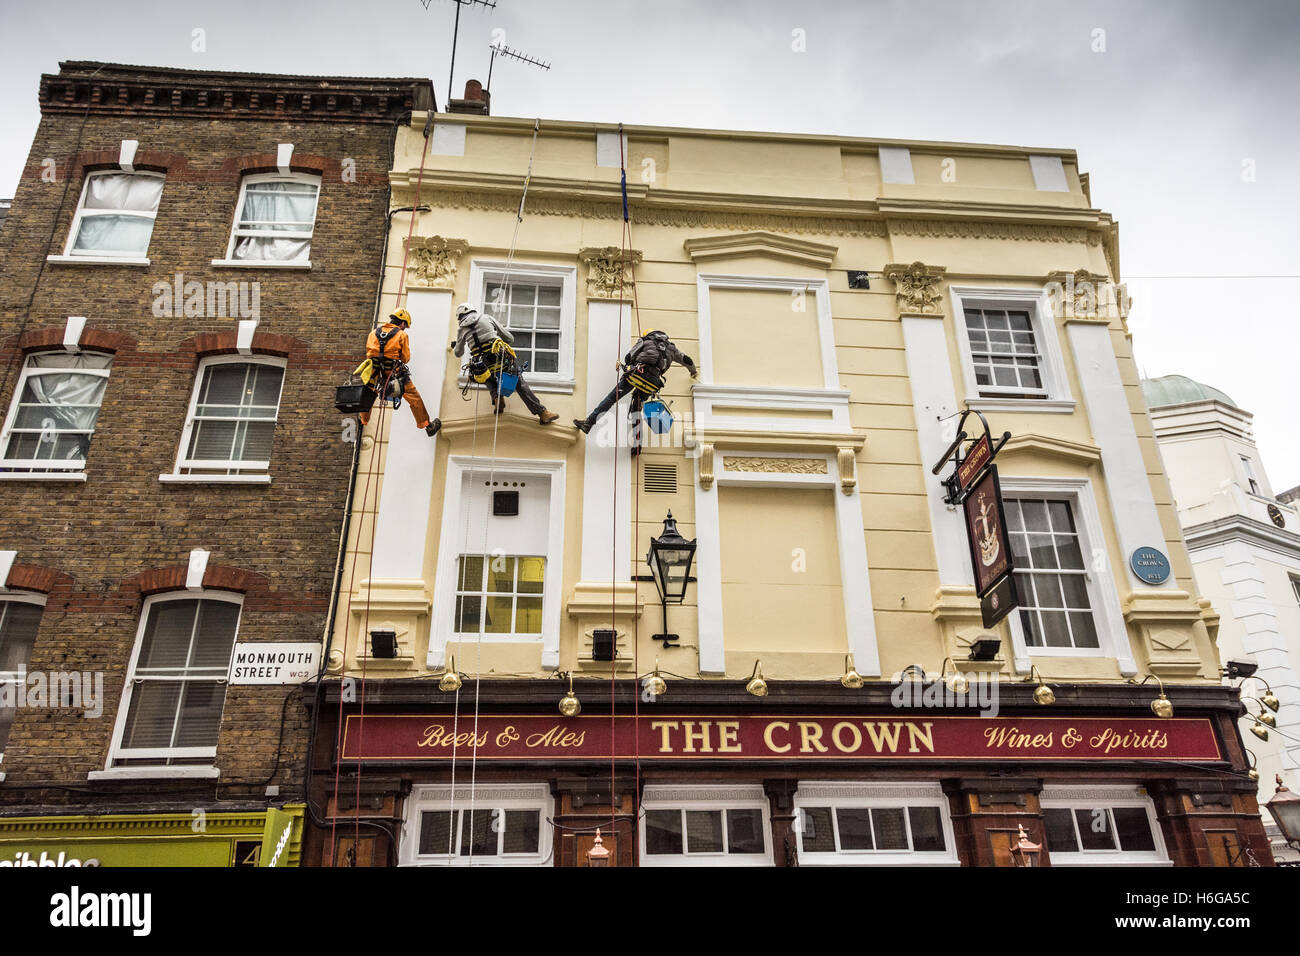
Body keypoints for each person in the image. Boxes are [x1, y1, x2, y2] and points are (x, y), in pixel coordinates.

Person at [574, 329, 697, 454]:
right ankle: (637, 444)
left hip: (637, 375)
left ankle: (589, 423)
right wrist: (693, 372)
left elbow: (629, 357)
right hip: (652, 383)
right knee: (636, 410)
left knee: (612, 398)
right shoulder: (671, 348)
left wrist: (630, 364)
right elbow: (687, 360)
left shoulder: (645, 341)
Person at [452, 302, 559, 424]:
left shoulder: (461, 330)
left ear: (460, 316)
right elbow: (509, 338)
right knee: (518, 382)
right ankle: (542, 412)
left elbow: (458, 353)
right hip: (500, 358)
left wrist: (456, 345)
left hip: (483, 365)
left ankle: (497, 397)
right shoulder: (485, 317)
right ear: (472, 310)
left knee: (485, 375)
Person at [358, 308, 440, 436]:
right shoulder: (402, 335)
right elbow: (405, 358)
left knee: (368, 393)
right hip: (393, 372)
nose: (404, 328)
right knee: (414, 397)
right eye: (405, 326)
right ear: (402, 323)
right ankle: (427, 425)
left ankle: (363, 420)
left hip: (374, 372)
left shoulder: (373, 333)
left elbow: (369, 354)